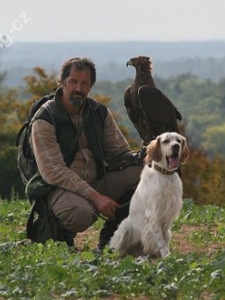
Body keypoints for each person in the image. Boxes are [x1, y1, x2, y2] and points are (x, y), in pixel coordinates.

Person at [28, 57, 144, 250]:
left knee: (144, 174)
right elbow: (53, 171)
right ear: (62, 82)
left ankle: (113, 237)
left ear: (90, 87)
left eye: (84, 83)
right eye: (73, 82)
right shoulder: (45, 119)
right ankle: (57, 232)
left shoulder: (99, 113)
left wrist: (145, 155)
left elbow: (119, 153)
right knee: (81, 214)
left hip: (95, 180)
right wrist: (96, 197)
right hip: (59, 187)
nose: (78, 89)